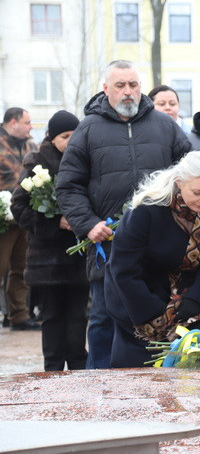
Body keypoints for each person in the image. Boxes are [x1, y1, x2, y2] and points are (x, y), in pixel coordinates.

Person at [57, 60, 191, 369]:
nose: (128, 92)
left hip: (159, 244)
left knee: (161, 311)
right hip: (110, 244)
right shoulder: (88, 129)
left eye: (133, 85)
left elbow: (191, 175)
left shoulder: (165, 125)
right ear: (106, 89)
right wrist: (88, 224)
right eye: (120, 85)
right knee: (105, 316)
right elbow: (67, 186)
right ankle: (101, 384)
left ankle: (158, 382)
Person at [105, 151, 200, 367]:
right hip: (141, 302)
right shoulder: (147, 210)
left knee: (194, 375)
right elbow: (124, 268)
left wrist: (195, 298)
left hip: (190, 304)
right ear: (179, 183)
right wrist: (155, 313)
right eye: (198, 192)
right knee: (139, 377)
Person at [11, 111, 86, 369]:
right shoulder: (37, 164)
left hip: (79, 256)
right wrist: (55, 221)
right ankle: (52, 370)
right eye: (65, 136)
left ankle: (79, 367)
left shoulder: (85, 160)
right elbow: (19, 207)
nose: (70, 141)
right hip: (48, 259)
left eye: (75, 136)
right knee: (52, 315)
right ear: (51, 138)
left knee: (78, 315)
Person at [0, 107, 38, 330]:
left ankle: (20, 316)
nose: (31, 126)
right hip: (2, 220)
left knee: (21, 268)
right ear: (13, 123)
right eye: (27, 122)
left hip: (24, 216)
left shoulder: (32, 146)